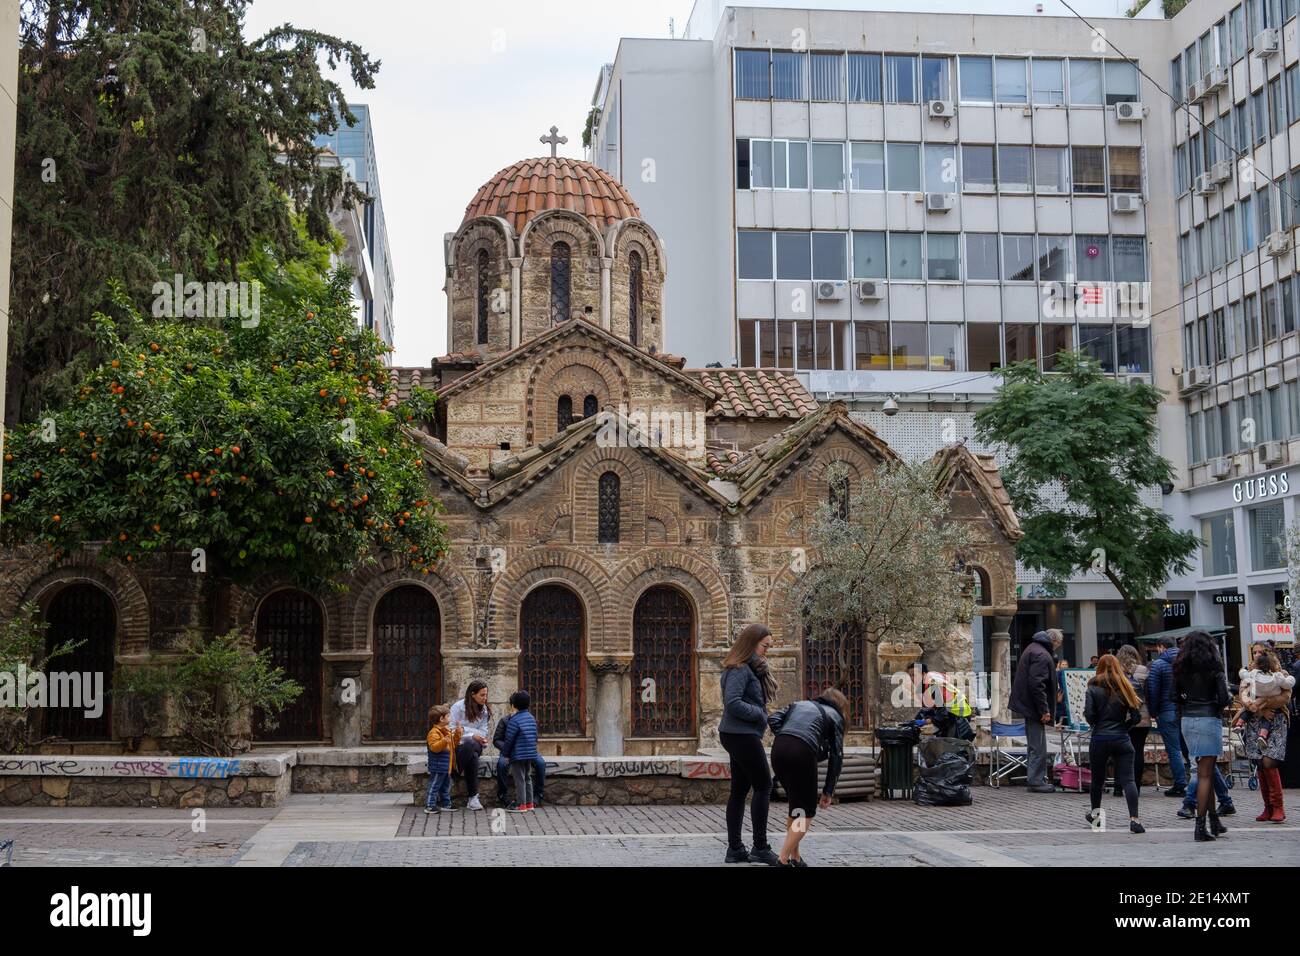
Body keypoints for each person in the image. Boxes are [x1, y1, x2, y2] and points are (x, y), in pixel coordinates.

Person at [718, 623, 780, 865]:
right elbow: (732, 702)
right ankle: (760, 847)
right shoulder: (739, 669)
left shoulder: (752, 668)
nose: (767, 651)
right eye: (765, 646)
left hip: (739, 734)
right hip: (740, 734)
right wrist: (759, 714)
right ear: (751, 643)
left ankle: (735, 849)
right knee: (764, 785)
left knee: (740, 790)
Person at [767, 688, 847, 867]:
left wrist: (787, 735)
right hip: (801, 752)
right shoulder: (835, 715)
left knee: (796, 806)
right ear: (841, 704)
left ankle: (795, 857)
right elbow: (837, 755)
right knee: (806, 811)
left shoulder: (798, 704)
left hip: (778, 749)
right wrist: (828, 791)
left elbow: (772, 718)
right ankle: (782, 859)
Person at [1174, 630, 1232, 842]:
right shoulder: (1214, 667)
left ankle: (1213, 820)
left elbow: (1175, 696)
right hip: (1208, 718)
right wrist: (1213, 702)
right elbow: (1224, 698)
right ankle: (1200, 826)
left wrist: (1189, 700)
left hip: (1188, 720)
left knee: (1202, 769)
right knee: (1206, 774)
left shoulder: (1181, 667)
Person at [1083, 654, 1145, 834]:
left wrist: (1096, 724)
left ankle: (1096, 819)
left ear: (1099, 667)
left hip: (1100, 737)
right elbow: (1136, 717)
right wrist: (1124, 728)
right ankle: (1134, 819)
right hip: (1121, 738)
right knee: (1128, 780)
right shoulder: (1126, 686)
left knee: (1097, 781)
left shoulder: (1093, 688)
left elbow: (1089, 714)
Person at [1237, 645, 1293, 823]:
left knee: (1269, 760)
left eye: (1261, 652)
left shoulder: (1280, 673)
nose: (1257, 656)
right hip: (1254, 721)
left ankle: (1278, 807)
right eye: (1254, 652)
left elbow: (1285, 697)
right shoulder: (1248, 674)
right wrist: (1260, 711)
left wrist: (1265, 702)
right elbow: (1243, 696)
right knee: (1260, 763)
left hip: (1276, 721)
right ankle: (1267, 807)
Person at [1010, 628, 1063, 793]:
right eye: (1058, 645)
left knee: (1035, 744)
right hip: (1033, 706)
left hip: (1028, 705)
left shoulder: (1033, 648)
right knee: (1038, 745)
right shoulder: (1041, 654)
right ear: (1053, 641)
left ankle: (1036, 778)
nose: (1057, 648)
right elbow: (1037, 684)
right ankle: (1036, 781)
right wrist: (1044, 709)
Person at [1145, 635, 1189, 798]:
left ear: (1161, 647)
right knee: (1188, 749)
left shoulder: (1158, 665)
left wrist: (1153, 712)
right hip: (1185, 711)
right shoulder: (1186, 662)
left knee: (1174, 750)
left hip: (1166, 711)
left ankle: (1179, 784)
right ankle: (1197, 780)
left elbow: (1153, 690)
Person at [493, 705, 547, 809]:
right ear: (510, 708)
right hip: (508, 751)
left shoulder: (528, 719)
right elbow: (497, 740)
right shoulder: (505, 721)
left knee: (540, 763)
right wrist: (507, 752)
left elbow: (534, 737)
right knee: (502, 764)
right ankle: (503, 796)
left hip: (528, 751)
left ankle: (537, 796)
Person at [450, 680, 492, 811]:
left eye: (486, 695)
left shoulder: (484, 711)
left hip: (477, 745)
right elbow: (451, 729)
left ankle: (452, 776)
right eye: (482, 695)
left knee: (472, 746)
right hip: (459, 746)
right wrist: (472, 735)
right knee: (472, 756)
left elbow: (484, 732)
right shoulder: (458, 707)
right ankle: (473, 798)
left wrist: (468, 732)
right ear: (472, 694)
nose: (485, 698)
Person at [1115, 645, 1151, 795]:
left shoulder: (1116, 670)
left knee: (1119, 752)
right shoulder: (1143, 670)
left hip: (1122, 717)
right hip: (1142, 716)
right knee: (1138, 751)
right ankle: (1135, 787)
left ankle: (1118, 787)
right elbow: (1150, 692)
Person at [500, 691, 539, 812]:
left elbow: (509, 739)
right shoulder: (531, 718)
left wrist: (506, 754)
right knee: (528, 777)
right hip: (530, 753)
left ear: (514, 705)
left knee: (519, 779)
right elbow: (535, 736)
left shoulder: (514, 720)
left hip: (517, 754)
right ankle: (530, 803)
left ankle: (521, 804)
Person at [424, 704, 462, 814]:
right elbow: (434, 748)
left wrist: (458, 733)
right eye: (448, 716)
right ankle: (430, 805)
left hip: (446, 766)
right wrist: (444, 741)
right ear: (441, 719)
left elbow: (453, 744)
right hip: (437, 766)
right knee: (434, 786)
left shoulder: (446, 731)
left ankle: (446, 804)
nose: (450, 718)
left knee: (446, 787)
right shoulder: (434, 733)